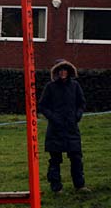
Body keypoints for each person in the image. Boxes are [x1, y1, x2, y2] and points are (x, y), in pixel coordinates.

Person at [38, 59, 89, 193]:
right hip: (55, 129)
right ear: (56, 72)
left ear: (69, 71)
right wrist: (53, 118)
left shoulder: (75, 86)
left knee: (76, 157)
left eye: (65, 70)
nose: (62, 72)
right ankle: (56, 187)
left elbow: (81, 103)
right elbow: (42, 106)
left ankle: (80, 185)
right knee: (55, 159)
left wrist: (77, 115)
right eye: (60, 70)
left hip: (72, 127)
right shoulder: (50, 87)